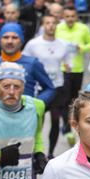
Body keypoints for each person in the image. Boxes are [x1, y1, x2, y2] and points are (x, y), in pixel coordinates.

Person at [24, 13, 74, 156]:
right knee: (36, 120)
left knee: (55, 120)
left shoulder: (63, 44)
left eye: (53, 23)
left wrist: (67, 67)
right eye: (47, 23)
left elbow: (67, 61)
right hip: (39, 89)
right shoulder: (33, 44)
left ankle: (50, 153)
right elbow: (25, 61)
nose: (51, 25)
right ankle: (35, 151)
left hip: (57, 86)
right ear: (43, 26)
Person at [0, 23, 56, 104]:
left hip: (25, 114)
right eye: (6, 37)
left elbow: (49, 88)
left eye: (14, 38)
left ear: (21, 41)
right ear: (0, 40)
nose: (10, 41)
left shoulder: (32, 63)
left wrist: (35, 105)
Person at [55, 4, 90, 148]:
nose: (70, 19)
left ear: (76, 17)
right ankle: (66, 127)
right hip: (62, 68)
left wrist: (82, 48)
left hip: (77, 69)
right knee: (64, 99)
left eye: (72, 16)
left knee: (73, 99)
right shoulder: (58, 28)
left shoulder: (83, 28)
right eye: (67, 16)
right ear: (63, 17)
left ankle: (68, 123)